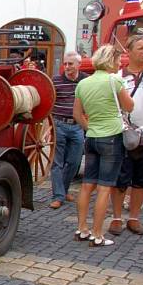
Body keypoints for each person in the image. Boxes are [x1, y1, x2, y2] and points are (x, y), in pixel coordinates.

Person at [73, 45, 134, 246]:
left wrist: (90, 128)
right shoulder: (114, 80)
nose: (119, 64)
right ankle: (97, 234)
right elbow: (129, 106)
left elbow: (77, 115)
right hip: (112, 136)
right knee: (104, 187)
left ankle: (82, 228)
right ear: (111, 61)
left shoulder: (83, 83)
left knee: (86, 185)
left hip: (92, 137)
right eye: (118, 60)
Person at [108, 34, 143, 236]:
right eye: (141, 48)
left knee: (142, 180)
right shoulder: (117, 76)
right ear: (129, 51)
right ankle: (117, 217)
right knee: (120, 179)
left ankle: (134, 218)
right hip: (124, 134)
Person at [49, 51, 87, 208]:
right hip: (59, 124)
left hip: (77, 126)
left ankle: (63, 190)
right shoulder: (56, 81)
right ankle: (58, 196)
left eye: (70, 64)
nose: (67, 67)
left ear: (78, 64)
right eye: (65, 63)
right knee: (57, 163)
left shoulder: (85, 80)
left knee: (74, 161)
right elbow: (49, 101)